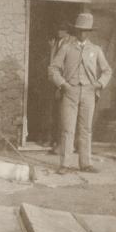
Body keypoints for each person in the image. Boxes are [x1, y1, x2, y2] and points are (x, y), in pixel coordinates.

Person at [48, 12, 112, 175]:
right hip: (70, 92)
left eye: (86, 31)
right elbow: (53, 69)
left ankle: (86, 163)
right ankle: (65, 164)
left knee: (86, 129)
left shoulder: (96, 50)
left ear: (90, 32)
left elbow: (107, 71)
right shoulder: (66, 48)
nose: (83, 33)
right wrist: (63, 84)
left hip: (89, 93)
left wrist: (98, 84)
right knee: (68, 129)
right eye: (80, 30)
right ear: (76, 31)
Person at [46, 23, 72, 151]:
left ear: (66, 31)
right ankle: (54, 140)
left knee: (64, 113)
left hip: (65, 81)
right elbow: (53, 63)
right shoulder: (56, 42)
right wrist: (51, 49)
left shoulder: (71, 43)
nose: (58, 32)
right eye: (58, 29)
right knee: (55, 111)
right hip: (56, 80)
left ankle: (62, 143)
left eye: (61, 29)